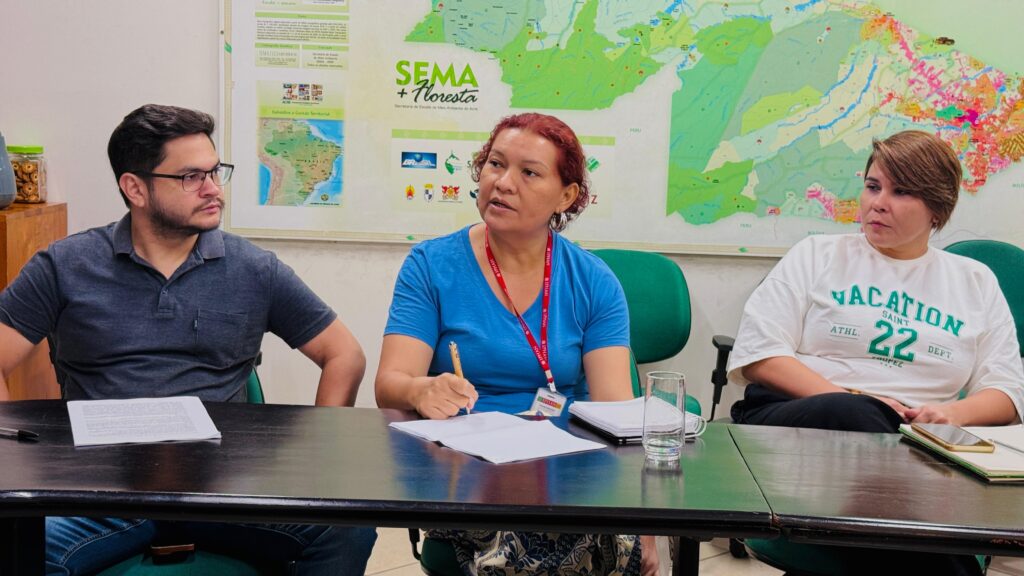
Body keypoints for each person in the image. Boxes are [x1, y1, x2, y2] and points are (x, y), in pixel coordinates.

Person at [0, 104, 377, 575]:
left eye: (215, 172)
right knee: (15, 546)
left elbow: (344, 354)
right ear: (135, 187)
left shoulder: (252, 268)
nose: (213, 189)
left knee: (347, 530)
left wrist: (317, 455)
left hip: (225, 488)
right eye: (191, 177)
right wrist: (13, 460)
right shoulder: (65, 265)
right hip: (100, 491)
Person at [727, 130, 1024, 575]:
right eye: (872, 186)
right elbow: (761, 354)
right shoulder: (817, 255)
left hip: (917, 444)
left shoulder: (973, 281)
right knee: (857, 415)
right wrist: (852, 396)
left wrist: (949, 416)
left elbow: (1007, 393)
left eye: (901, 191)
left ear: (937, 208)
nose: (878, 202)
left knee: (894, 452)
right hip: (801, 421)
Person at [376, 113, 657, 575]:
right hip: (469, 468)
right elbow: (389, 383)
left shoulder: (593, 281)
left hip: (566, 471)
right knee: (531, 548)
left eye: (529, 172)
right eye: (494, 164)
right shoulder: (430, 265)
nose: (503, 183)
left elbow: (616, 413)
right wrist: (420, 391)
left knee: (607, 540)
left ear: (565, 196)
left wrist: (643, 521)